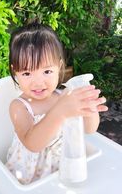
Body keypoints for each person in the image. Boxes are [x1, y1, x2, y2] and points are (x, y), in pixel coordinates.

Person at [6, 21, 108, 184]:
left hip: (63, 169)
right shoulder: (19, 107)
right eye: (26, 73)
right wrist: (60, 111)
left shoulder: (64, 95)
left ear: (59, 67)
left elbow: (89, 129)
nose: (38, 82)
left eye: (47, 71)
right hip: (29, 178)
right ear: (15, 72)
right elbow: (32, 144)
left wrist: (89, 107)